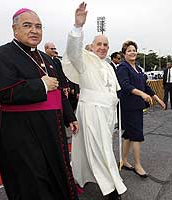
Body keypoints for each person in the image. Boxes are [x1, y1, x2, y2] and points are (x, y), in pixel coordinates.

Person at [0, 8, 79, 199]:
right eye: (27, 26)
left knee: (57, 175)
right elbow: (1, 92)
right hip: (21, 132)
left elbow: (59, 90)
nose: (34, 31)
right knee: (32, 182)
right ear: (15, 29)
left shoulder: (48, 59)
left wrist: (70, 116)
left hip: (53, 129)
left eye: (38, 26)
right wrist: (40, 85)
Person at [62, 3, 126, 200]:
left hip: (107, 114)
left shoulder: (108, 66)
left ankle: (79, 177)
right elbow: (73, 51)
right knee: (101, 150)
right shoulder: (84, 60)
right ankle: (112, 188)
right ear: (90, 46)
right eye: (99, 44)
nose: (103, 48)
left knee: (92, 148)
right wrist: (77, 26)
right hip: (91, 111)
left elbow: (113, 92)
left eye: (106, 45)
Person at [116, 40, 165, 178]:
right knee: (137, 135)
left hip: (137, 106)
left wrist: (157, 99)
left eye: (134, 50)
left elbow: (146, 86)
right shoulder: (122, 67)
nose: (132, 52)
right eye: (129, 50)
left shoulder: (138, 68)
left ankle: (124, 160)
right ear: (124, 53)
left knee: (129, 134)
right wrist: (141, 94)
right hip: (128, 106)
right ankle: (137, 165)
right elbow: (125, 85)